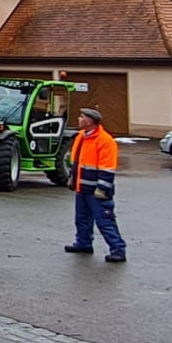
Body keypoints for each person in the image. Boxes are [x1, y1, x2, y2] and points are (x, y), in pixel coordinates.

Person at [65, 107, 127, 262]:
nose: (79, 119)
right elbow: (78, 162)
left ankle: (118, 249)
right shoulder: (81, 137)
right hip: (83, 187)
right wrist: (73, 178)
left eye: (82, 117)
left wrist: (102, 188)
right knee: (82, 218)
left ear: (89, 121)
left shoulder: (104, 141)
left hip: (97, 190)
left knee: (104, 221)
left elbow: (107, 167)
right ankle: (83, 243)